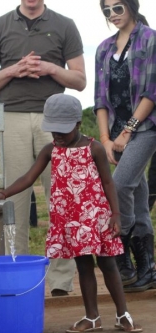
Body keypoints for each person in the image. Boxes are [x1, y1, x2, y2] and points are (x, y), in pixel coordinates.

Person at [0, 93, 142, 332]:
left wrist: (116, 215)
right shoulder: (50, 150)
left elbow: (109, 183)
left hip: (96, 219)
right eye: (53, 131)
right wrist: (4, 194)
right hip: (70, 222)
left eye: (63, 131)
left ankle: (123, 315)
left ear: (78, 124)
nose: (57, 136)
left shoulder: (95, 149)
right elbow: (29, 178)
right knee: (83, 266)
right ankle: (92, 317)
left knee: (108, 264)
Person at [0, 0, 86, 297]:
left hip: (56, 120)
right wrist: (15, 69)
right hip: (10, 117)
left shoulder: (64, 24)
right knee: (15, 201)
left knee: (60, 199)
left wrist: (50, 67)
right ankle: (19, 274)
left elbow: (79, 80)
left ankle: (61, 282)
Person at [94, 0, 156, 293]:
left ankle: (121, 253)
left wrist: (127, 131)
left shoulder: (150, 39)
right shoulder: (104, 48)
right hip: (115, 132)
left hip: (147, 126)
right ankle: (146, 268)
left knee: (119, 186)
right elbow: (100, 100)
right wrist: (106, 139)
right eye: (107, 10)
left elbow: (152, 91)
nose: (112, 15)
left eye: (118, 7)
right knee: (138, 193)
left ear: (131, 6)